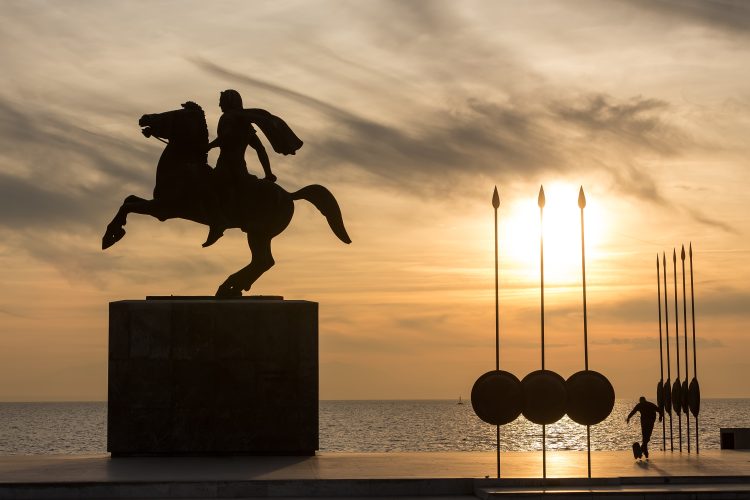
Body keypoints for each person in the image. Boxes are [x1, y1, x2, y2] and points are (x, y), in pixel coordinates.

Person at [203, 89, 302, 247]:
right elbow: (260, 149)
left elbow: (225, 138)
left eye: (221, 101)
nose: (219, 104)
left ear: (229, 102)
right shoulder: (244, 123)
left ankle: (217, 223)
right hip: (240, 168)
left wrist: (207, 146)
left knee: (206, 187)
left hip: (226, 167)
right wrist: (268, 172)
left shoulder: (228, 117)